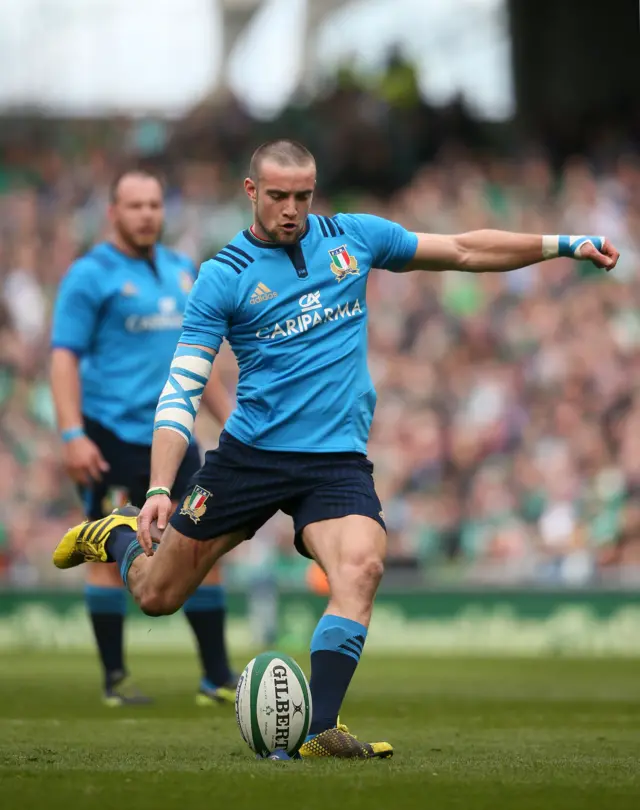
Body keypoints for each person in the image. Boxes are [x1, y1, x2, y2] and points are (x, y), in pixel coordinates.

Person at [52, 140, 619, 756]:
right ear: (251, 193)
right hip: (250, 459)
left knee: (362, 567)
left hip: (335, 463)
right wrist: (160, 489)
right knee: (156, 596)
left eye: (302, 195)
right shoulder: (223, 276)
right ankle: (119, 535)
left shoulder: (355, 238)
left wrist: (563, 244)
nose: (291, 209)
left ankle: (321, 728)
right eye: (277, 197)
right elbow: (181, 389)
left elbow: (461, 248)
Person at [50, 168, 237, 707]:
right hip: (111, 437)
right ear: (112, 212)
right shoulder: (89, 276)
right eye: (135, 206)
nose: (147, 214)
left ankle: (215, 676)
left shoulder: (184, 271)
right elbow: (64, 358)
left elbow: (200, 367)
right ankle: (116, 679)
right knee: (111, 556)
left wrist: (236, 423)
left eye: (154, 204)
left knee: (205, 544)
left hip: (175, 437)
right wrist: (71, 434)